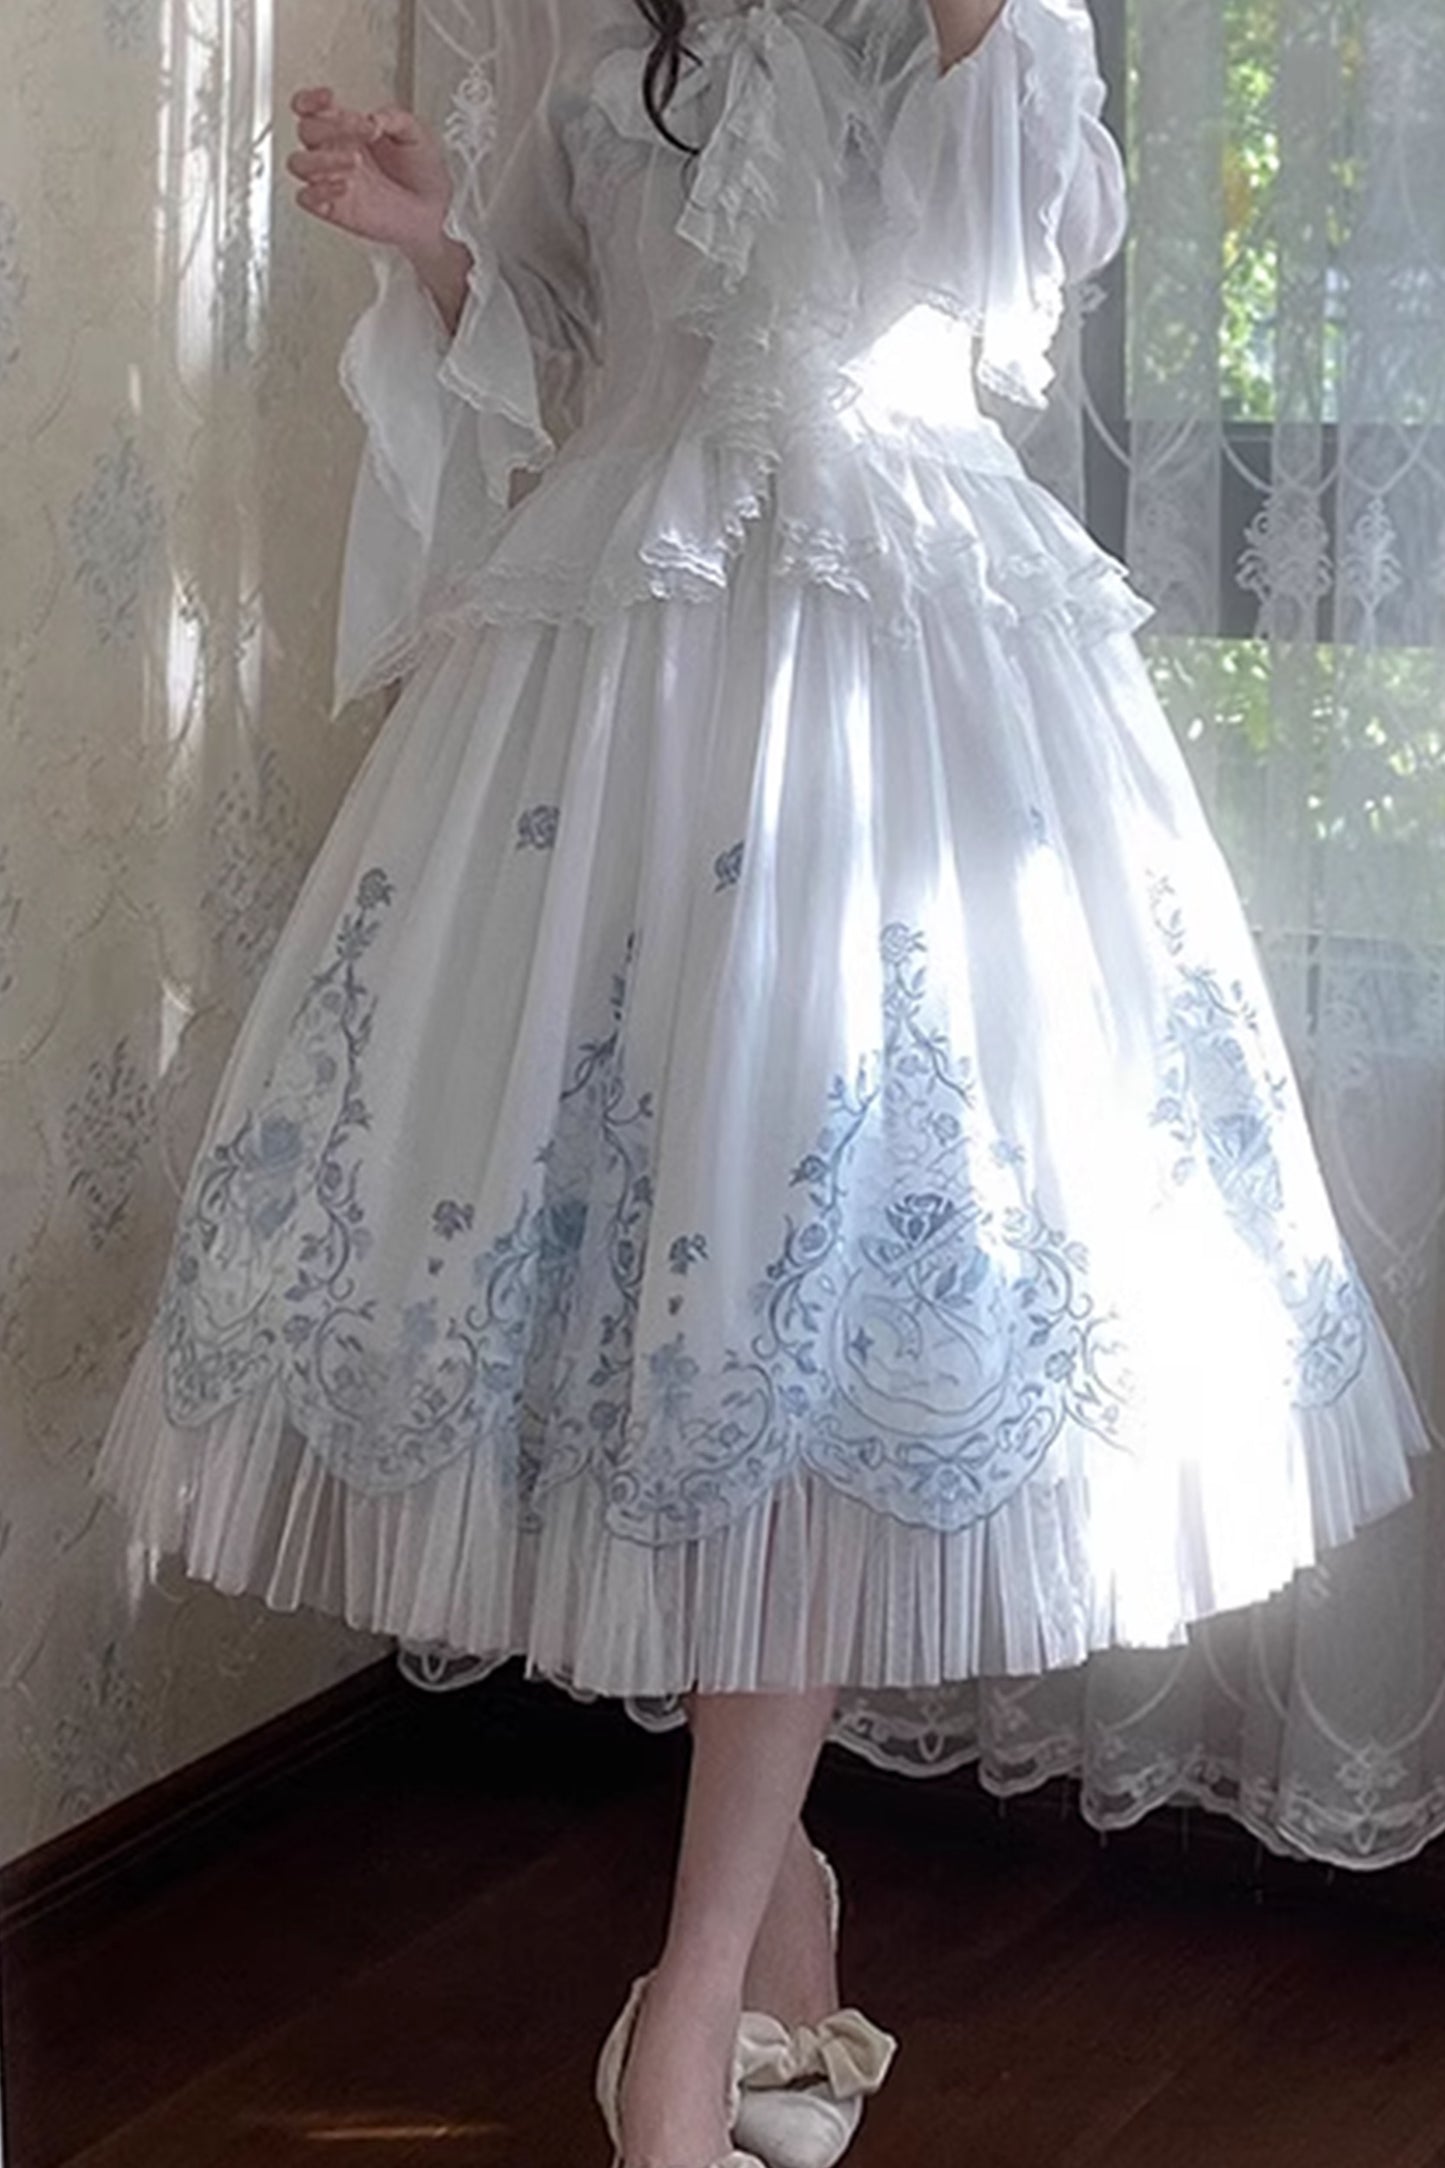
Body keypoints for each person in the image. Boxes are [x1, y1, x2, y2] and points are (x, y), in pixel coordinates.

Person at [91, 2, 1434, 2164]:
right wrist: (431, 241)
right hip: (624, 703)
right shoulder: (617, 61)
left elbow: (1019, 239)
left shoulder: (969, 36)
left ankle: (699, 1996)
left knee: (796, 1349)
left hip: (890, 703)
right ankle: (778, 1899)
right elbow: (555, 343)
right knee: (678, 1348)